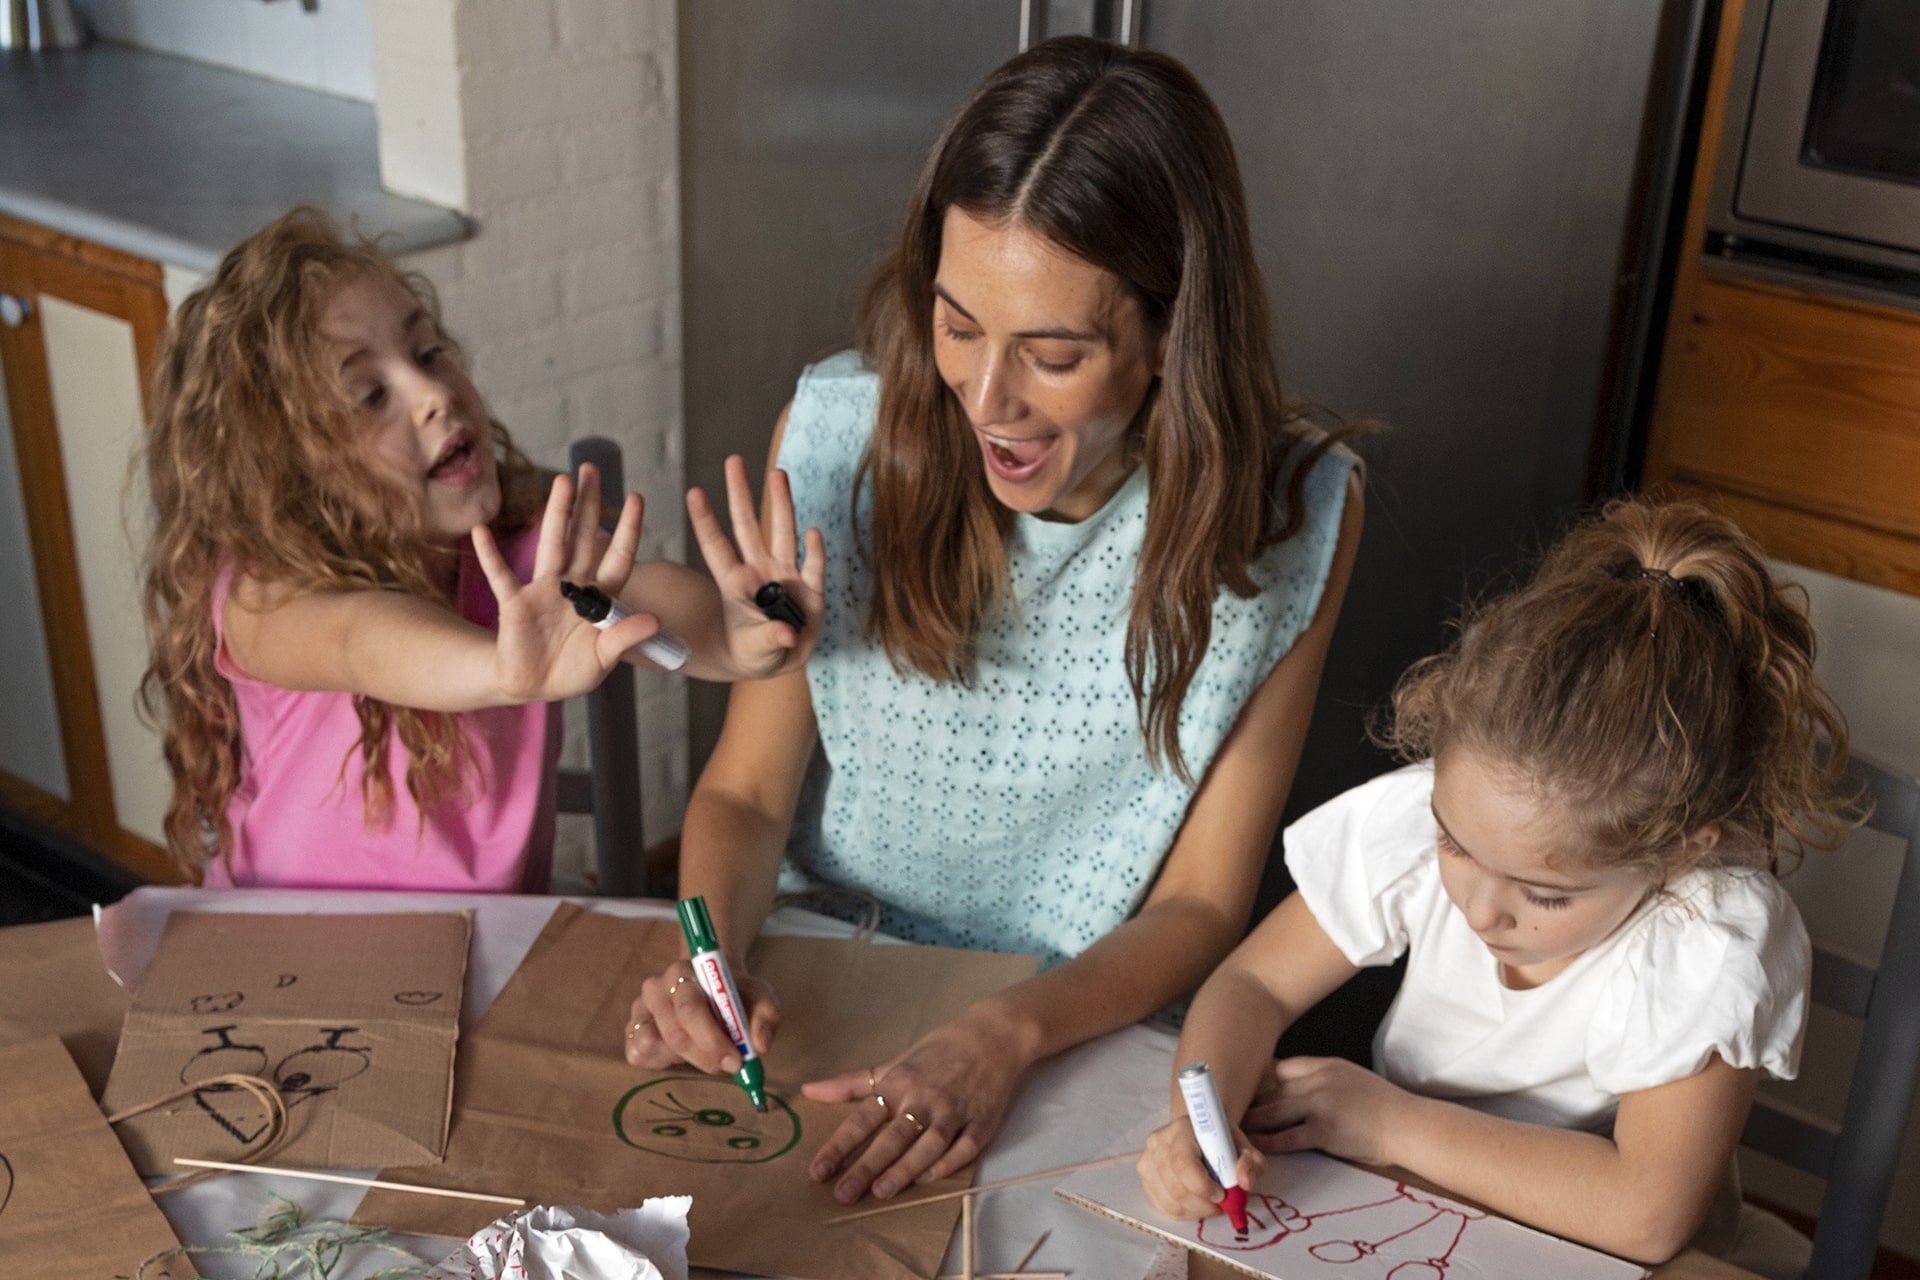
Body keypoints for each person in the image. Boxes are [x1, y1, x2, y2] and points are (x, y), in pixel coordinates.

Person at [625, 35, 1366, 1205]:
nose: (985, 398)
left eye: (1054, 353)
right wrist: (705, 950)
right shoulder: (836, 435)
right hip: (824, 966)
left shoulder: (1296, 514)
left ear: (1172, 335)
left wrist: (1004, 1034)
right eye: (958, 324)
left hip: (1078, 1019)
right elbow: (746, 793)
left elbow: (1202, 901)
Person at [1137, 498, 1857, 1272]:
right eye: (1454, 843)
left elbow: (1645, 1214)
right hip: (1418, 1218)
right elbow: (1251, 984)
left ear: (1678, 855)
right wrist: (1198, 1124)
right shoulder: (1434, 816)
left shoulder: (1706, 936)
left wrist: (1389, 1125)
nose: (1480, 908)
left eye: (1544, 895)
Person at [140, 207, 824, 890]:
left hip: (490, 954)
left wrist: (735, 641)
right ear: (285, 475)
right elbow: (356, 638)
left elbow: (650, 597)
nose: (434, 392)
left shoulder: (526, 559)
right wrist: (498, 668)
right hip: (290, 958)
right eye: (370, 395)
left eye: (429, 353)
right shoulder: (263, 596)